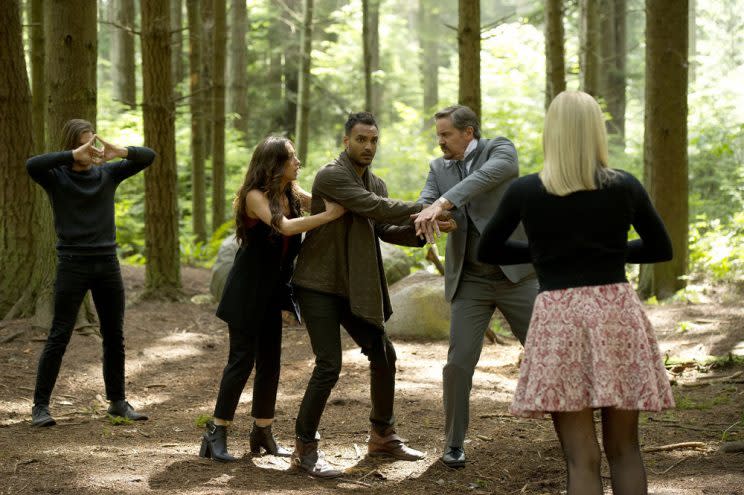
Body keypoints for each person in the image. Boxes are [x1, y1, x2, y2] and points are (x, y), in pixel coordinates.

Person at [477, 90, 675, 495]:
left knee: (579, 456)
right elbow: (660, 248)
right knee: (625, 449)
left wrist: (547, 254)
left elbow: (488, 250)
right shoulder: (624, 186)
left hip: (559, 317)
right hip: (615, 311)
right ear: (595, 133)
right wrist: (608, 251)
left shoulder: (526, 191)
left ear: (553, 134)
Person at [289, 112, 443, 477]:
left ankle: (382, 435)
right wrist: (428, 207)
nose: (368, 146)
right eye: (361, 139)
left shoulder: (377, 181)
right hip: (318, 285)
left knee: (384, 354)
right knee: (329, 365)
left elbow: (385, 227)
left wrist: (425, 228)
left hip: (353, 285)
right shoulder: (331, 175)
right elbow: (374, 207)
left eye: (373, 140)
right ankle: (304, 449)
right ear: (347, 142)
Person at [199, 136, 346, 462]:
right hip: (246, 292)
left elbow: (322, 203)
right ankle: (216, 430)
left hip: (272, 293)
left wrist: (348, 199)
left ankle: (262, 431)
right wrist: (328, 217)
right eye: (292, 158)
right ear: (275, 164)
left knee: (270, 363)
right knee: (241, 361)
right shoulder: (255, 196)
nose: (298, 163)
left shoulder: (291, 192)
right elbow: (287, 227)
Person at [413, 105, 538, 468]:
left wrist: (445, 201)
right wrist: (440, 218)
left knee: (548, 352)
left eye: (446, 134)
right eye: (437, 135)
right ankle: (453, 443)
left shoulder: (500, 148)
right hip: (470, 280)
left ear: (468, 132)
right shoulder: (439, 168)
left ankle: (578, 432)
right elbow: (426, 200)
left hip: (518, 276)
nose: (440, 142)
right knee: (458, 363)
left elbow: (494, 175)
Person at [26, 119, 155, 427]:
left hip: (107, 264)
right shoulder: (56, 177)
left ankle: (118, 402)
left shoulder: (108, 173)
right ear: (73, 146)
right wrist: (71, 156)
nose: (90, 150)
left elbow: (148, 156)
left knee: (114, 335)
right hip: (72, 263)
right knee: (60, 334)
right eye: (83, 144)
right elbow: (32, 164)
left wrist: (119, 150)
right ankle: (40, 406)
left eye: (92, 143)